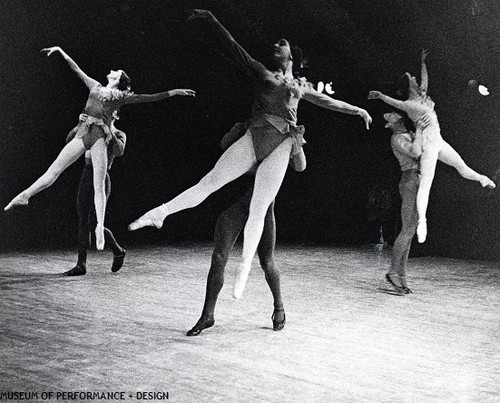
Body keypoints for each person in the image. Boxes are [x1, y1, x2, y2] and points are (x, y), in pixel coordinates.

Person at [129, 9, 372, 299]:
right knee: (209, 182)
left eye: (280, 44)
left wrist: (358, 110)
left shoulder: (301, 87)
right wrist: (211, 19)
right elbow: (233, 47)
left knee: (259, 207)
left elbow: (328, 102)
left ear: (291, 55)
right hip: (254, 135)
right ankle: (161, 213)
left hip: (282, 143)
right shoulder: (262, 72)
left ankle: (243, 271)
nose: (275, 46)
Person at [4, 46, 195, 251]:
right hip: (83, 133)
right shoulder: (94, 86)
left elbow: (148, 97)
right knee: (53, 171)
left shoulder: (121, 97)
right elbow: (76, 69)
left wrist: (174, 92)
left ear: (119, 79)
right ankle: (25, 195)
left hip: (98, 138)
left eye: (117, 71)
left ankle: (100, 227)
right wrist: (61, 51)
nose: (112, 70)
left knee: (98, 185)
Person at [187, 130, 307, 336]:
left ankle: (279, 307)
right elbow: (224, 144)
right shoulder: (249, 128)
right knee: (219, 256)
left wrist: (296, 141)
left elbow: (300, 166)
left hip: (263, 206)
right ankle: (208, 315)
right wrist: (241, 129)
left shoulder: (285, 134)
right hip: (237, 201)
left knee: (266, 260)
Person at [368, 49, 495, 243]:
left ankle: (482, 179)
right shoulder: (409, 104)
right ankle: (423, 222)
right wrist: (381, 96)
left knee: (461, 166)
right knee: (426, 184)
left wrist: (423, 63)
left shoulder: (422, 96)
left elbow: (425, 80)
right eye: (413, 80)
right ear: (408, 87)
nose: (417, 82)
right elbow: (394, 102)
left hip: (438, 140)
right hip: (427, 143)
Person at [63, 115, 127, 276]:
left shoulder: (119, 133)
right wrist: (79, 125)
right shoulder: (92, 130)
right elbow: (70, 141)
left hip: (102, 177)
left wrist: (109, 133)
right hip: (86, 174)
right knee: (83, 220)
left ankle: (118, 250)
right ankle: (81, 265)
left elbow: (119, 150)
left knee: (96, 223)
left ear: (115, 116)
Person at [383, 112, 429, 293]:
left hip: (417, 179)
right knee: (407, 229)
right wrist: (418, 129)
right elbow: (416, 152)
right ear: (391, 125)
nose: (394, 114)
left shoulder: (407, 134)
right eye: (390, 116)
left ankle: (401, 275)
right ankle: (393, 271)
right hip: (410, 180)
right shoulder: (396, 138)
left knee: (410, 231)